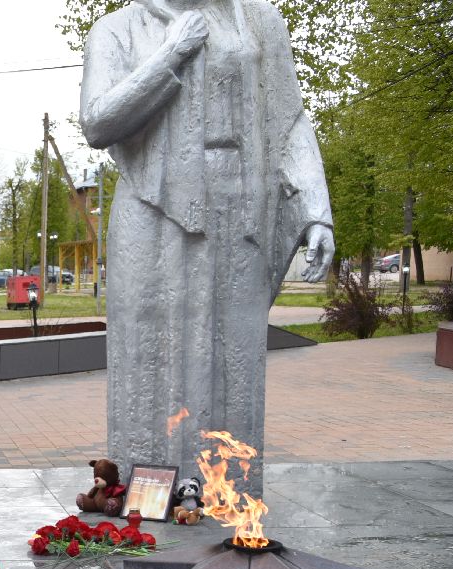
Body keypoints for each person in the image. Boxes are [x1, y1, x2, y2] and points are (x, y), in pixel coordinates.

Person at [80, 0, 334, 488]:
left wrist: (313, 209)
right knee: (151, 351)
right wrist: (170, 54)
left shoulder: (259, 20)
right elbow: (97, 121)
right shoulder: (118, 29)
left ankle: (227, 487)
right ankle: (146, 488)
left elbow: (289, 121)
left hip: (238, 204)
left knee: (232, 350)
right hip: (151, 209)